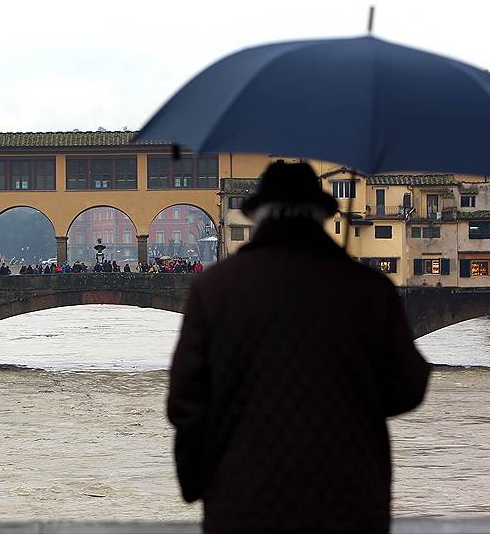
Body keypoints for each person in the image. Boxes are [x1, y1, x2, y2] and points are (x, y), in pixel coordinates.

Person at [167, 161, 430, 534]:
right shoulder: (368, 290)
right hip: (348, 498)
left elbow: (185, 399)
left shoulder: (213, 290)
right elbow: (408, 387)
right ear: (322, 215)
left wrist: (197, 483)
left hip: (243, 499)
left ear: (257, 216)